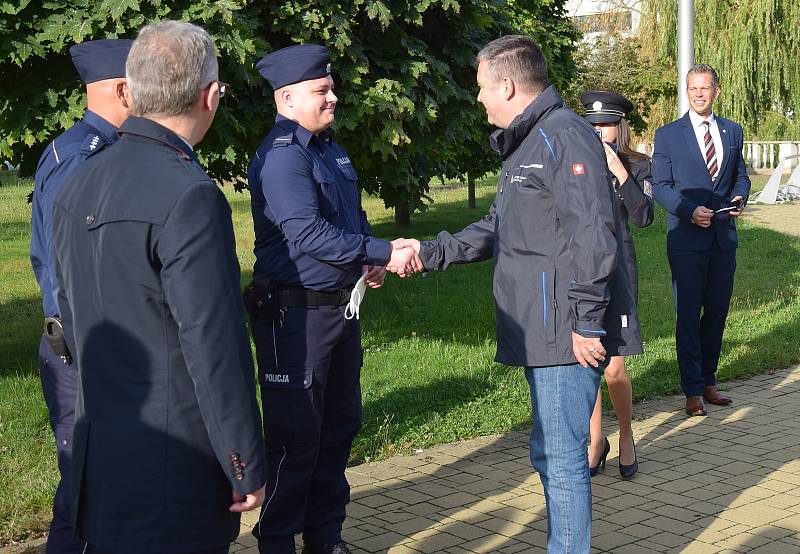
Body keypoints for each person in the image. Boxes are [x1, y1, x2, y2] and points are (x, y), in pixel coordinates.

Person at [392, 35, 637, 553]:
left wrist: (587, 322)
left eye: (481, 87)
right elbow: (500, 227)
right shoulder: (529, 140)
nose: (477, 98)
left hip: (562, 332)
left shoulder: (563, 135)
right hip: (540, 326)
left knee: (563, 458)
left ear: (507, 84)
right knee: (551, 452)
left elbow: (594, 234)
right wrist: (427, 251)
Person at [51, 21, 266, 553]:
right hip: (175, 463)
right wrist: (244, 461)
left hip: (101, 449)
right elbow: (213, 344)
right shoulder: (189, 193)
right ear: (210, 96)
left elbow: (76, 324)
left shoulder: (75, 180)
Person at [245, 45, 417, 554]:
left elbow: (349, 221)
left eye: (330, 87)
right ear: (287, 97)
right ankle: (276, 542)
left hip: (339, 311)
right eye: (322, 91)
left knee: (338, 429)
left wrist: (369, 260)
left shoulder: (328, 150)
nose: (333, 97)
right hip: (294, 320)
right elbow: (308, 235)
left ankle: (325, 540)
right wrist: (386, 249)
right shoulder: (282, 158)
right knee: (294, 443)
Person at [29, 38, 131, 553]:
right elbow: (71, 268)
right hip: (83, 348)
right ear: (122, 88)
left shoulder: (83, 148)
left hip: (85, 343)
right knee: (87, 485)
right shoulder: (84, 158)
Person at [652, 64, 751, 417]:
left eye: (705, 88)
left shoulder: (732, 131)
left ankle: (709, 381)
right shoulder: (668, 135)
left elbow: (741, 176)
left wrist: (741, 197)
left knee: (717, 312)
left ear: (716, 92)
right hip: (686, 239)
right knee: (688, 314)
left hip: (723, 240)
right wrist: (688, 211)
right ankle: (692, 389)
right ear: (687, 91)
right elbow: (660, 187)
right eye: (693, 88)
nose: (698, 94)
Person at [581, 90, 653, 478]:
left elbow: (644, 218)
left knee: (614, 370)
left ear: (619, 126)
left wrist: (620, 173)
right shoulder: (576, 163)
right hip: (583, 274)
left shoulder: (638, 165)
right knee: (590, 363)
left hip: (620, 274)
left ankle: (625, 434)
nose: (598, 132)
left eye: (605, 124)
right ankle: (596, 439)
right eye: (592, 125)